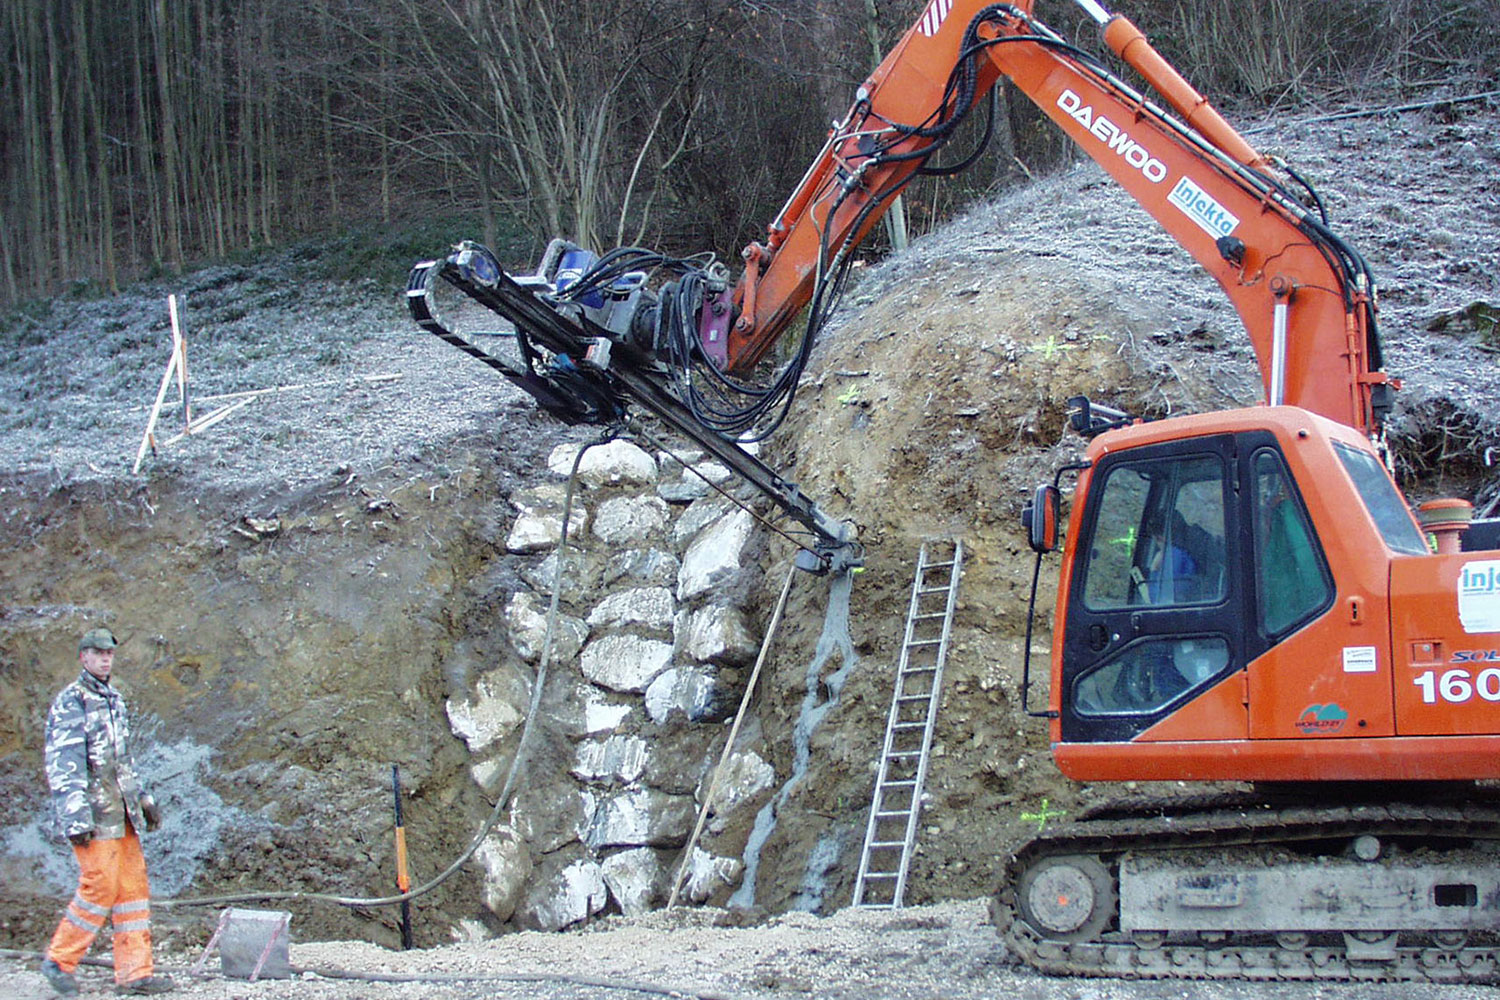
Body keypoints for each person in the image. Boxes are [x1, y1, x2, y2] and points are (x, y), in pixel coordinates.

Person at [39, 628, 173, 996]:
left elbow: (122, 761)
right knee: (99, 886)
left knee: (131, 891)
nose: (104, 659)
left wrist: (143, 800)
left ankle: (134, 974)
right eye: (97, 653)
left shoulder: (113, 700)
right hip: (95, 817)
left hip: (123, 814)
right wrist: (76, 818)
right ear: (83, 657)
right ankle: (58, 960)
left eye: (109, 654)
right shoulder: (72, 702)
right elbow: (64, 764)